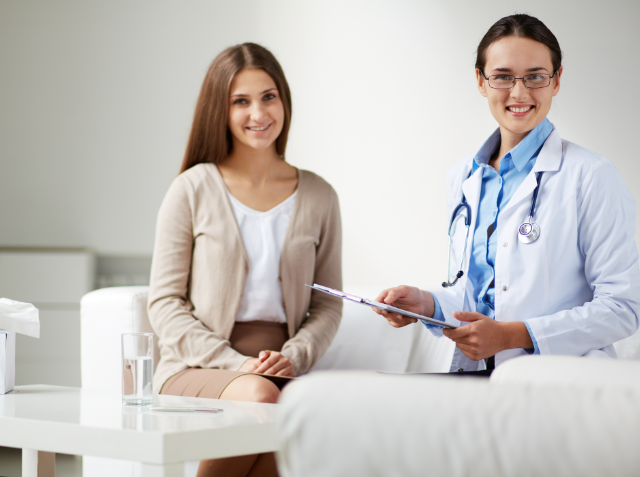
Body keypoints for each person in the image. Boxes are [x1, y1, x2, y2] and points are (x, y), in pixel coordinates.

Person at [374, 14, 640, 374]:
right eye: (502, 76)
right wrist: (426, 305)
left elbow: (623, 308)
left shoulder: (591, 177)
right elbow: (478, 297)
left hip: (560, 381)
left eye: (535, 76)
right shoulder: (465, 178)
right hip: (476, 375)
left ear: (556, 80)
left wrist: (514, 335)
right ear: (481, 81)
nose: (520, 92)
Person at [148, 43, 342, 477]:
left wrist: (294, 356)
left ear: (284, 100)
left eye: (268, 96)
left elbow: (328, 303)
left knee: (286, 407)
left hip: (282, 367)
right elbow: (164, 303)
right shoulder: (192, 188)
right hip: (197, 364)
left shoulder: (320, 195)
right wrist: (237, 365)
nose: (259, 113)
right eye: (241, 101)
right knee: (263, 398)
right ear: (222, 109)